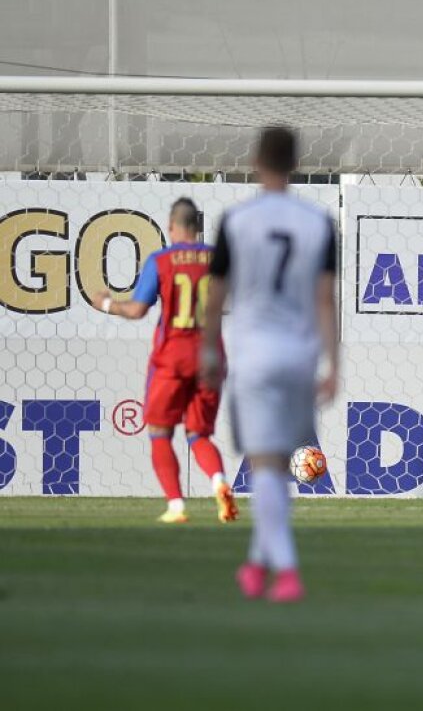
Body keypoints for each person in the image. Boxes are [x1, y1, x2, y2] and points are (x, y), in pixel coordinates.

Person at [201, 127, 338, 604]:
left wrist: (208, 351)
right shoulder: (318, 222)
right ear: (296, 162)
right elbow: (325, 299)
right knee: (277, 469)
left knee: (265, 466)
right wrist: (333, 364)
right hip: (298, 357)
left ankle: (287, 571)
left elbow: (214, 296)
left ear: (257, 161)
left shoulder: (237, 220)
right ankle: (256, 567)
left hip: (255, 356)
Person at [92, 197, 235, 525]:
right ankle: (219, 482)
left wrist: (106, 304)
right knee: (199, 435)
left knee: (159, 432)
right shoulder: (218, 259)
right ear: (197, 228)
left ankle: (176, 506)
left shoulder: (162, 260)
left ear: (172, 227)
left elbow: (137, 310)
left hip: (172, 355)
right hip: (210, 355)